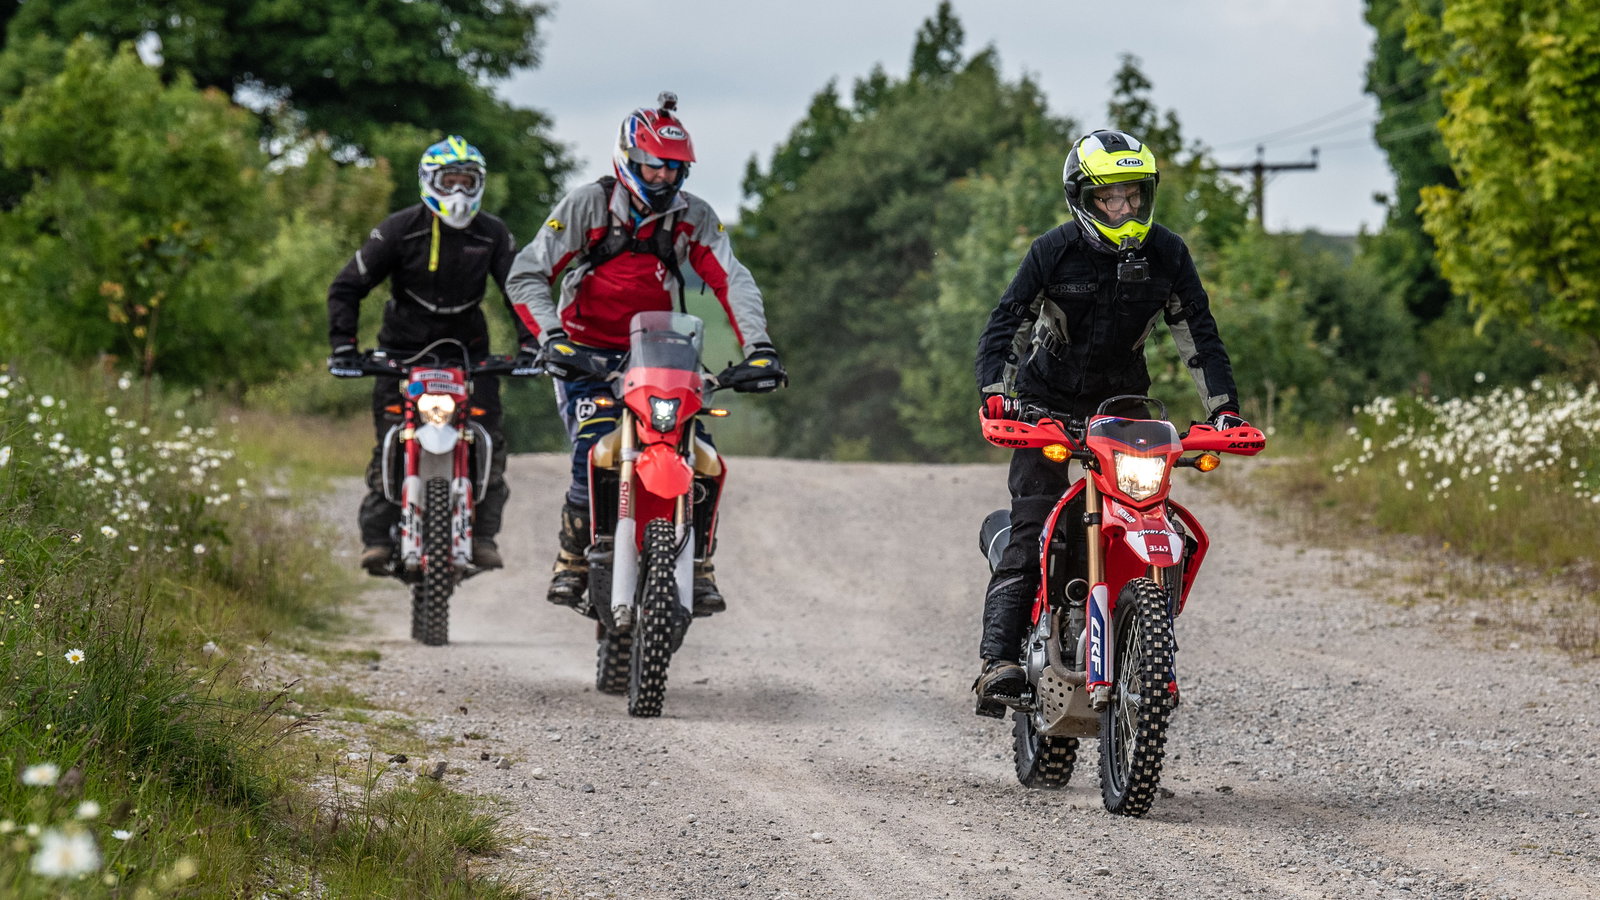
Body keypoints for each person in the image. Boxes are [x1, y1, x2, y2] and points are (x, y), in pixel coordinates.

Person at [970, 129, 1250, 705]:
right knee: (1034, 524)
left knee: (1151, 519)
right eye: (1109, 198)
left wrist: (1224, 413)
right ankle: (997, 660)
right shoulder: (1052, 250)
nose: (1124, 209)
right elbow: (1007, 324)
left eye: (1133, 196)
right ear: (1083, 197)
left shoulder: (1168, 254)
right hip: (1043, 403)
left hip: (1122, 409)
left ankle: (1144, 651)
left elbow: (1198, 335)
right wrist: (997, 392)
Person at [506, 92, 783, 617]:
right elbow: (526, 273)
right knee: (593, 447)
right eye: (652, 167)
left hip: (658, 353)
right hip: (582, 352)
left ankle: (699, 565)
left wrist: (759, 347)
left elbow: (733, 280)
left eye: (674, 169)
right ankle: (572, 559)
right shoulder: (587, 205)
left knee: (698, 451)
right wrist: (550, 337)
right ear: (627, 160)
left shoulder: (693, 217)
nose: (662, 178)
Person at [327, 135, 524, 574]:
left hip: (470, 354)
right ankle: (377, 537)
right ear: (428, 181)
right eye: (448, 180)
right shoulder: (399, 229)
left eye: (466, 181)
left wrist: (531, 345)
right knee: (390, 441)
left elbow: (520, 292)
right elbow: (346, 286)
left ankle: (484, 535)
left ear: (480, 185)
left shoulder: (492, 233)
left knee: (488, 442)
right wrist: (343, 347)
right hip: (400, 352)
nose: (457, 192)